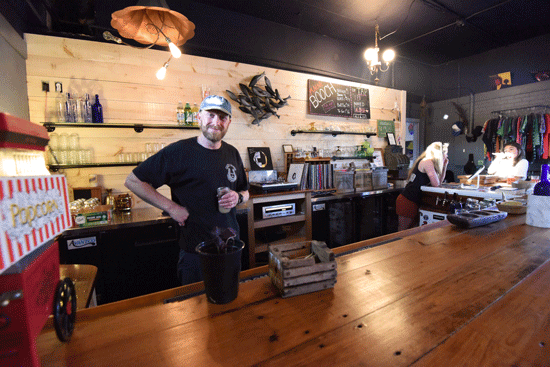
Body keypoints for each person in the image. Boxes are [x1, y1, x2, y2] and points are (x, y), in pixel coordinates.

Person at [125, 95, 250, 285]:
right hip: (195, 252)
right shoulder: (179, 152)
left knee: (230, 304)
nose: (216, 122)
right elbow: (134, 181)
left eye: (222, 117)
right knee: (195, 309)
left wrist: (238, 197)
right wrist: (172, 208)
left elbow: (245, 191)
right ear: (199, 117)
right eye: (211, 115)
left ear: (229, 122)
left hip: (230, 247)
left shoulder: (232, 153)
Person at [396, 142, 449, 231]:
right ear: (440, 154)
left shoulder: (428, 161)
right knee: (403, 232)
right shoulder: (427, 161)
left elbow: (439, 182)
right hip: (408, 201)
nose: (447, 155)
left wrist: (444, 167)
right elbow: (436, 184)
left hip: (411, 201)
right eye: (446, 153)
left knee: (410, 231)